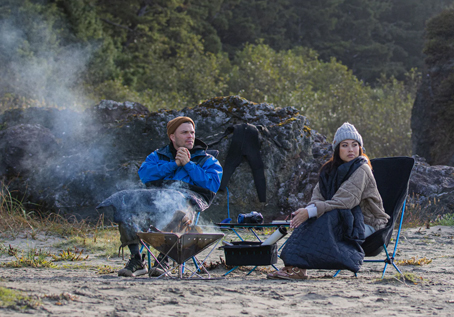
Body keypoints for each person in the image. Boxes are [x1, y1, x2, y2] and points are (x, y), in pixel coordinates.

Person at [268, 122, 389, 280]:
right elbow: (317, 199)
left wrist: (311, 211)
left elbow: (344, 202)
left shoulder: (362, 169)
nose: (350, 149)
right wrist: (306, 212)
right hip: (343, 218)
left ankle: (298, 268)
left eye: (355, 145)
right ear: (337, 149)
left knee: (326, 218)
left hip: (369, 224)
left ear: (360, 148)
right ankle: (294, 268)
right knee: (312, 220)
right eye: (345, 145)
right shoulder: (329, 171)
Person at [110, 116, 223, 277]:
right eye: (184, 132)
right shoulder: (158, 156)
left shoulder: (207, 159)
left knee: (177, 206)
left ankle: (164, 259)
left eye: (192, 132)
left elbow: (212, 184)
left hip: (187, 204)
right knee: (126, 204)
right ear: (172, 136)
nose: (190, 136)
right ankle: (136, 260)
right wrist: (174, 164)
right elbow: (145, 174)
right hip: (155, 203)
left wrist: (188, 164)